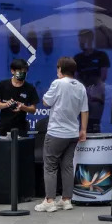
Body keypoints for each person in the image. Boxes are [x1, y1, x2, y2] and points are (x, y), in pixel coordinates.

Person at [35, 57, 88, 213]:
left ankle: (49, 200)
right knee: (67, 166)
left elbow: (45, 102)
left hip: (56, 132)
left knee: (50, 166)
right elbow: (85, 110)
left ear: (60, 69)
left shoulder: (57, 84)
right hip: (73, 133)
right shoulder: (81, 86)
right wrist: (83, 129)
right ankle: (66, 200)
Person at [74, 29, 109, 133]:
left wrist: (93, 90)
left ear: (89, 39)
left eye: (82, 39)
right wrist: (84, 90)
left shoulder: (101, 56)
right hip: (82, 95)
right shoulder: (77, 58)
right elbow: (75, 78)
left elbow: (103, 76)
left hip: (97, 95)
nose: (80, 42)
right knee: (83, 124)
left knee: (94, 124)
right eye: (79, 40)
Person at [0, 58, 40, 137]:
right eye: (19, 72)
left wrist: (22, 107)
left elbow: (33, 110)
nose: (22, 74)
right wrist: (7, 104)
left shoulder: (30, 88)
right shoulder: (3, 85)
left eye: (24, 72)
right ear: (12, 71)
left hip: (21, 129)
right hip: (3, 128)